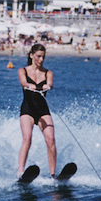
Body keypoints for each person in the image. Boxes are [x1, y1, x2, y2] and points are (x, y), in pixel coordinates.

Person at [16, 43, 59, 178]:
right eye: (39, 56)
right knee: (27, 138)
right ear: (32, 55)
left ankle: (53, 174)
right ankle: (20, 172)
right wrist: (29, 85)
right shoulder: (22, 70)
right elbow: (23, 82)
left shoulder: (48, 73)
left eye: (43, 57)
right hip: (27, 109)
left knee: (51, 139)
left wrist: (48, 86)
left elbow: (50, 84)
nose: (41, 60)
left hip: (42, 110)